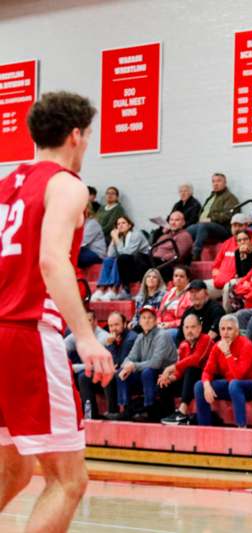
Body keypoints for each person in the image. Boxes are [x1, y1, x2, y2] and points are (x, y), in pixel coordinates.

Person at [0, 91, 114, 533]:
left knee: (14, 469)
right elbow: (52, 260)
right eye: (88, 136)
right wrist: (85, 336)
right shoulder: (66, 184)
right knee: (68, 479)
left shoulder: (7, 186)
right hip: (27, 333)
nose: (86, 145)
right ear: (74, 136)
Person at [194, 315, 252, 427]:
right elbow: (207, 371)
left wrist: (227, 354)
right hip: (234, 386)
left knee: (234, 384)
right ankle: (205, 428)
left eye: (229, 329)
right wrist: (206, 385)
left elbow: (238, 375)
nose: (225, 333)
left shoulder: (246, 345)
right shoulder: (217, 347)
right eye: (223, 329)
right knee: (199, 386)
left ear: (237, 331)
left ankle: (241, 426)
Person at [114, 305, 178, 421]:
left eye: (150, 317)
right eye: (143, 317)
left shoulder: (162, 335)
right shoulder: (140, 337)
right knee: (121, 372)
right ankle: (125, 408)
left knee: (147, 372)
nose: (146, 320)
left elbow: (156, 363)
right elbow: (131, 357)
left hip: (164, 374)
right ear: (139, 321)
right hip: (146, 372)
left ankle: (149, 408)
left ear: (155, 320)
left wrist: (133, 366)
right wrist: (126, 366)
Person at [77, 311, 136, 420]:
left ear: (124, 324)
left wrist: (110, 345)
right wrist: (110, 344)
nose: (113, 329)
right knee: (83, 377)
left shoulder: (130, 338)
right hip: (113, 374)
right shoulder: (111, 339)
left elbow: (119, 361)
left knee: (109, 373)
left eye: (117, 325)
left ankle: (112, 411)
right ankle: (91, 414)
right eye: (111, 326)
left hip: (127, 376)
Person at [158, 314, 213, 425]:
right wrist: (170, 378)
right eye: (187, 328)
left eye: (193, 327)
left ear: (200, 328)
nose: (189, 331)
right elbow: (180, 372)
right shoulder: (183, 345)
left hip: (207, 379)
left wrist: (172, 367)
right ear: (183, 329)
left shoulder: (206, 339)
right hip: (190, 381)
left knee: (191, 369)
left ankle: (182, 412)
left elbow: (196, 359)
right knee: (164, 383)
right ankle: (170, 415)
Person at [93, 215, 150, 301]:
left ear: (129, 225)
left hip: (142, 263)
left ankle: (114, 290)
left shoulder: (136, 235)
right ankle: (101, 289)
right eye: (118, 224)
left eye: (123, 223)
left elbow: (127, 253)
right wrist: (114, 239)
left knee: (119, 259)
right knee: (108, 260)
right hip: (128, 262)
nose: (120, 225)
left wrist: (116, 238)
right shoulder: (121, 237)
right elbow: (110, 254)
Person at [188, 172, 240, 260]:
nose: (215, 183)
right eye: (213, 181)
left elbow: (229, 215)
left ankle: (195, 254)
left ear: (225, 183)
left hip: (223, 228)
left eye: (219, 181)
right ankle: (183, 254)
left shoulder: (230, 197)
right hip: (204, 225)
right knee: (186, 231)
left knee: (204, 226)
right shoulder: (211, 197)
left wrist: (211, 219)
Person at [207, 214, 252, 295]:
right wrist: (218, 278)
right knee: (196, 287)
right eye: (234, 226)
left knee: (228, 287)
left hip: (235, 283)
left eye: (240, 225)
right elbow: (215, 266)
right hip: (218, 282)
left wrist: (228, 279)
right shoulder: (227, 243)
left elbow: (247, 271)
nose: (237, 229)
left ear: (246, 226)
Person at [150, 209, 193, 276]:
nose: (173, 223)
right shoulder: (165, 236)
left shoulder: (184, 236)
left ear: (183, 223)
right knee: (133, 257)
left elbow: (178, 255)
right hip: (156, 262)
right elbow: (154, 248)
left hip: (168, 265)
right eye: (171, 220)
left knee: (140, 259)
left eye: (177, 220)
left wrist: (161, 257)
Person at [156, 265, 193, 341]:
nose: (178, 278)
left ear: (188, 279)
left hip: (177, 328)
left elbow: (187, 319)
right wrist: (159, 322)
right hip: (163, 326)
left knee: (163, 335)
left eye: (181, 276)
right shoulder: (168, 294)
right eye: (176, 276)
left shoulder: (190, 295)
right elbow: (159, 313)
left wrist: (169, 324)